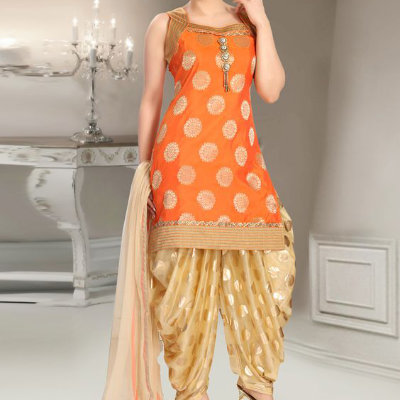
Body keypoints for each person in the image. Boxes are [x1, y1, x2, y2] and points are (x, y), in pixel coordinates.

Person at [102, 1, 296, 400]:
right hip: (182, 168)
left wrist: (262, 20)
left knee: (269, 275)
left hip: (243, 167)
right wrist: (144, 171)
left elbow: (271, 90)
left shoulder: (248, 22)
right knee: (182, 294)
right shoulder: (166, 24)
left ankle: (257, 388)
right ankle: (191, 392)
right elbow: (151, 99)